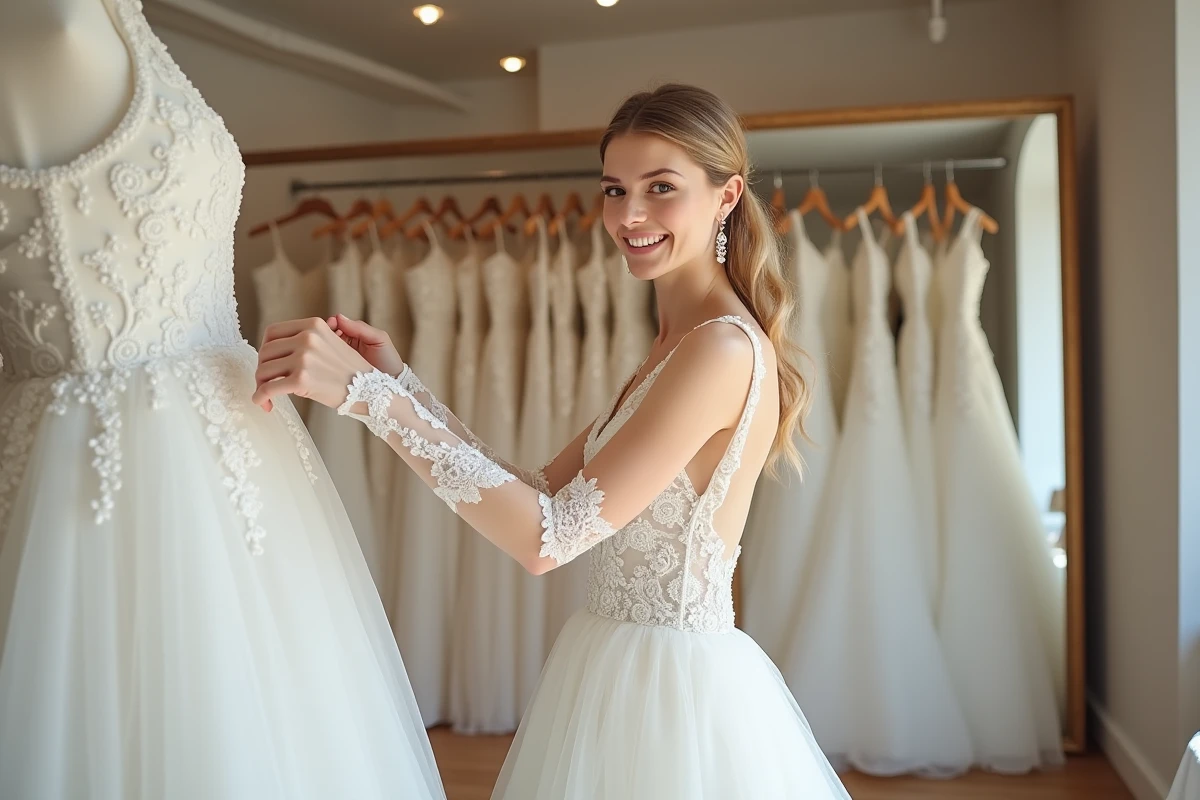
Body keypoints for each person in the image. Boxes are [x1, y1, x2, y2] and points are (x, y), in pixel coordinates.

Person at [254, 83, 851, 799]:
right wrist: (399, 384)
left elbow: (548, 538)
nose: (629, 215)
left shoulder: (718, 350)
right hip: (613, 664)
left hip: (670, 695)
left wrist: (369, 399)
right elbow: (542, 489)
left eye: (661, 188)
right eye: (614, 189)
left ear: (726, 197)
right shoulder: (677, 341)